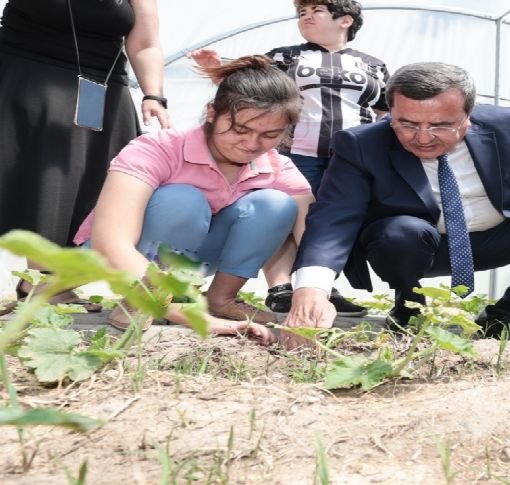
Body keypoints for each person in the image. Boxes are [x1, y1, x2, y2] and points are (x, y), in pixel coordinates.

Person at [281, 62, 510, 342]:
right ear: (390, 113)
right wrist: (311, 288)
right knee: (399, 230)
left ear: (468, 116)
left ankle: (508, 312)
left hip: (499, 238)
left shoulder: (506, 126)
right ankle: (408, 305)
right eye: (406, 124)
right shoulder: (361, 144)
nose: (422, 138)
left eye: (440, 125)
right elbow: (335, 215)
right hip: (416, 247)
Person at [73, 56, 314, 343]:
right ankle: (142, 300)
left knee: (277, 204)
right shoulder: (158, 149)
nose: (252, 144)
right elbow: (110, 242)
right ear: (212, 112)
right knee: (183, 199)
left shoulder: (275, 165)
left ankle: (221, 298)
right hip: (129, 256)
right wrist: (188, 316)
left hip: (194, 258)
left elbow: (311, 233)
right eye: (240, 130)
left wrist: (313, 291)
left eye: (270, 135)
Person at [188, 0, 388, 317]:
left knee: (330, 223)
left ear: (345, 20)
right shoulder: (285, 56)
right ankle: (280, 288)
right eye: (301, 13)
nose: (306, 17)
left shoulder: (372, 64)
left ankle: (319, 286)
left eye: (316, 11)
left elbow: (386, 112)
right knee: (286, 217)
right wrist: (217, 70)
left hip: (351, 161)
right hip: (294, 154)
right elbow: (252, 91)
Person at [0, 0, 170, 314]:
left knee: (95, 183)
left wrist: (153, 93)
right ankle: (43, 280)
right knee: (48, 177)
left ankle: (52, 281)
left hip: (102, 83)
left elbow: (145, 42)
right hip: (31, 71)